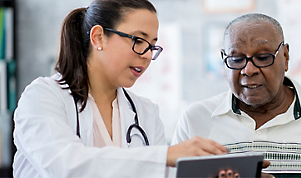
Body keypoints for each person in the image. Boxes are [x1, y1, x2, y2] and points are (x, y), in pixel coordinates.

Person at [12, 0, 229, 177]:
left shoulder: (145, 112)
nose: (145, 55)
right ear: (98, 37)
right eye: (138, 40)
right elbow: (66, 166)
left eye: (152, 45)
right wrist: (163, 156)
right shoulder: (42, 96)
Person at [172, 13, 301, 178]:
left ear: (285, 57)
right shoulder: (194, 120)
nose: (248, 70)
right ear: (224, 62)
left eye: (263, 57)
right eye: (236, 59)